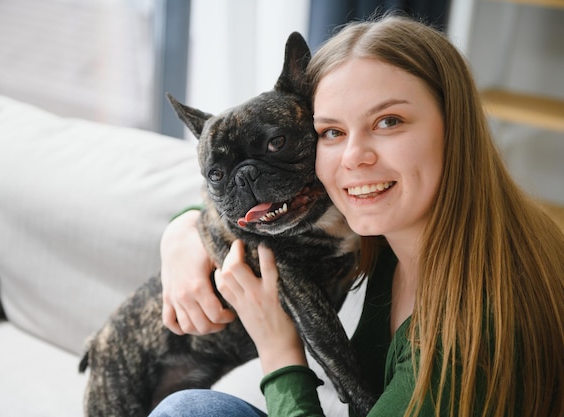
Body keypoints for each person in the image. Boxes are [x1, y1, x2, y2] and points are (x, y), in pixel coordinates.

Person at [151, 15, 564, 417]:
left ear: (455, 125)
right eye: (332, 131)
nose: (354, 157)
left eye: (388, 122)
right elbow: (236, 187)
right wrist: (181, 235)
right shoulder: (390, 224)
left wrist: (279, 352)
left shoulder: (470, 332)